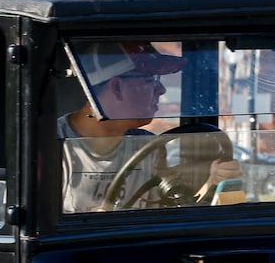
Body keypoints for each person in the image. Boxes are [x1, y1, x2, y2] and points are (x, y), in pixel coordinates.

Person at [60, 41, 241, 212]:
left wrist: (214, 182)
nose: (161, 89)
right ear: (116, 87)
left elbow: (170, 212)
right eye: (150, 79)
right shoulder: (51, 144)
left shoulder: (147, 147)